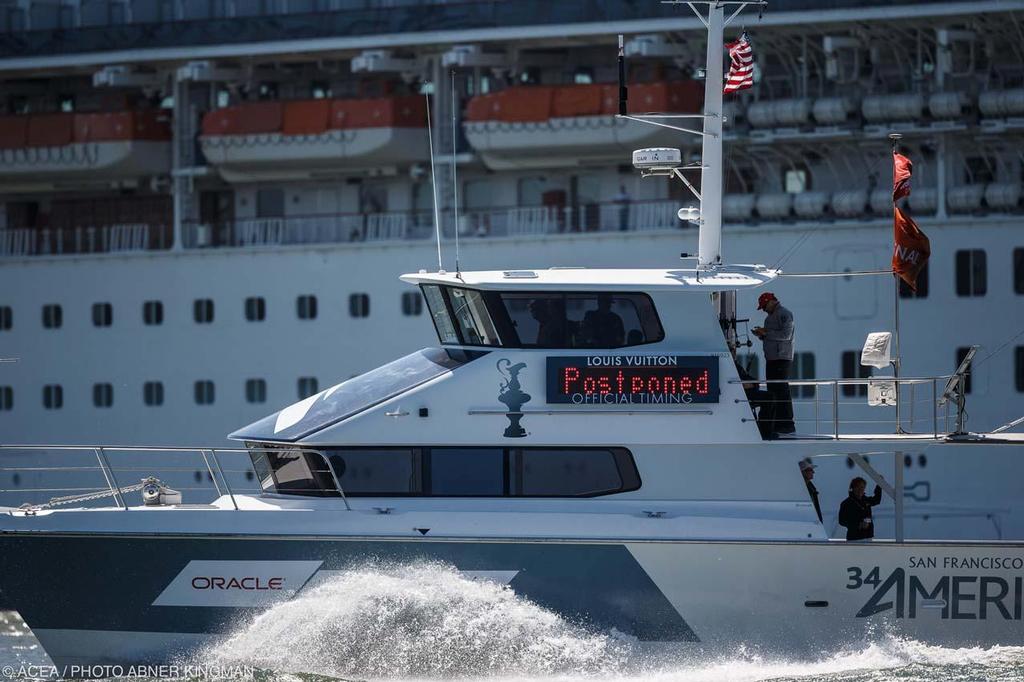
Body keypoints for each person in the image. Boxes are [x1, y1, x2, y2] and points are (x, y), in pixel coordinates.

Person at [752, 292, 795, 436]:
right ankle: (776, 422)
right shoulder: (769, 318)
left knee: (781, 389)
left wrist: (765, 333)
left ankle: (787, 423)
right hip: (771, 359)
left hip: (781, 358)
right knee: (773, 390)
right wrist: (762, 335)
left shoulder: (784, 314)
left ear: (770, 302)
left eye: (764, 306)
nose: (763, 309)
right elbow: (771, 337)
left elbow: (786, 335)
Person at [838, 476, 883, 541]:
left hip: (868, 537)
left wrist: (879, 484)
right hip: (854, 538)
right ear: (852, 488)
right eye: (857, 487)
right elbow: (842, 521)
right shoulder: (846, 503)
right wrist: (858, 525)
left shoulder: (866, 500)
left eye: (862, 487)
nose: (860, 489)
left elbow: (876, 500)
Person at [800, 458, 822, 523]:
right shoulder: (802, 490)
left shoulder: (812, 489)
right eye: (810, 470)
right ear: (803, 472)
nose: (813, 472)